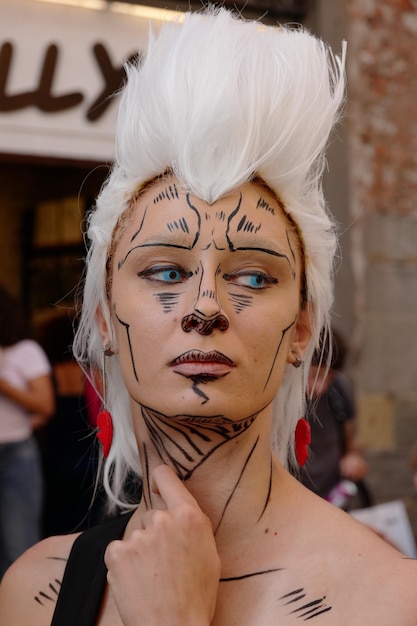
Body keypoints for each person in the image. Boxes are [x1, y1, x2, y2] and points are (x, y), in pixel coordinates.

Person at [1, 8, 417, 625]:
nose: (204, 307)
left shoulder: (391, 600)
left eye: (253, 276)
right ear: (106, 319)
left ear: (301, 328)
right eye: (164, 271)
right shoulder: (36, 590)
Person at [0, 287, 55, 579]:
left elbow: (45, 406)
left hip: (14, 457)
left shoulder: (25, 352)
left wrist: (4, 384)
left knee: (17, 545)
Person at [36, 310, 104, 536]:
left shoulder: (47, 376)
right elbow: (101, 416)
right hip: (90, 460)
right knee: (88, 526)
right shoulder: (92, 374)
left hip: (53, 461)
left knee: (55, 525)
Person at [300, 327, 369, 507]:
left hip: (332, 495)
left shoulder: (338, 388)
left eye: (329, 376)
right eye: (315, 375)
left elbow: (348, 431)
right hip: (295, 496)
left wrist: (353, 455)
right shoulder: (277, 395)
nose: (322, 386)